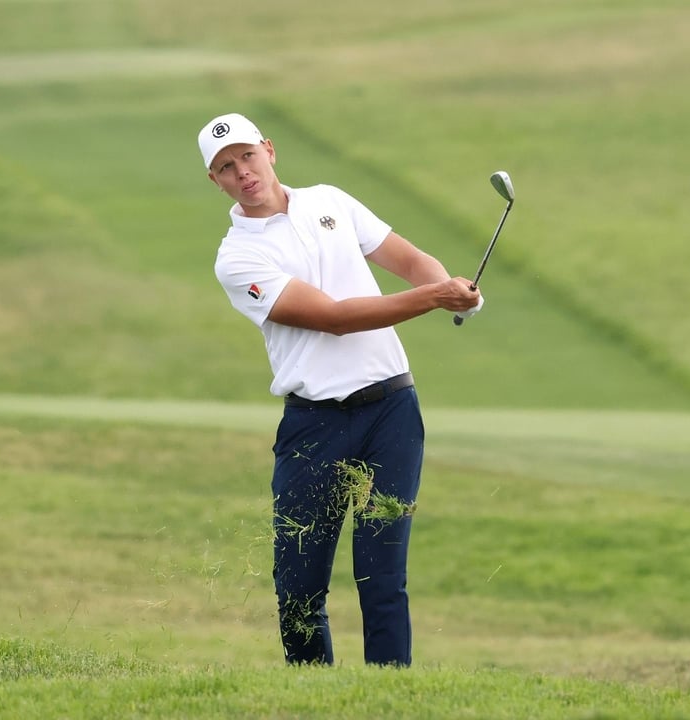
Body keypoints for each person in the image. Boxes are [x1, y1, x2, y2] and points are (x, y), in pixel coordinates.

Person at [197, 112, 483, 666]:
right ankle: (313, 695)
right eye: (226, 167)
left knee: (383, 574)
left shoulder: (329, 200)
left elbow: (408, 259)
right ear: (216, 181)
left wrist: (453, 290)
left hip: (391, 410)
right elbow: (333, 318)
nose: (242, 172)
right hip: (314, 425)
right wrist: (433, 298)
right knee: (299, 586)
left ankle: (389, 694)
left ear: (269, 150)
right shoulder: (237, 258)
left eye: (247, 155)